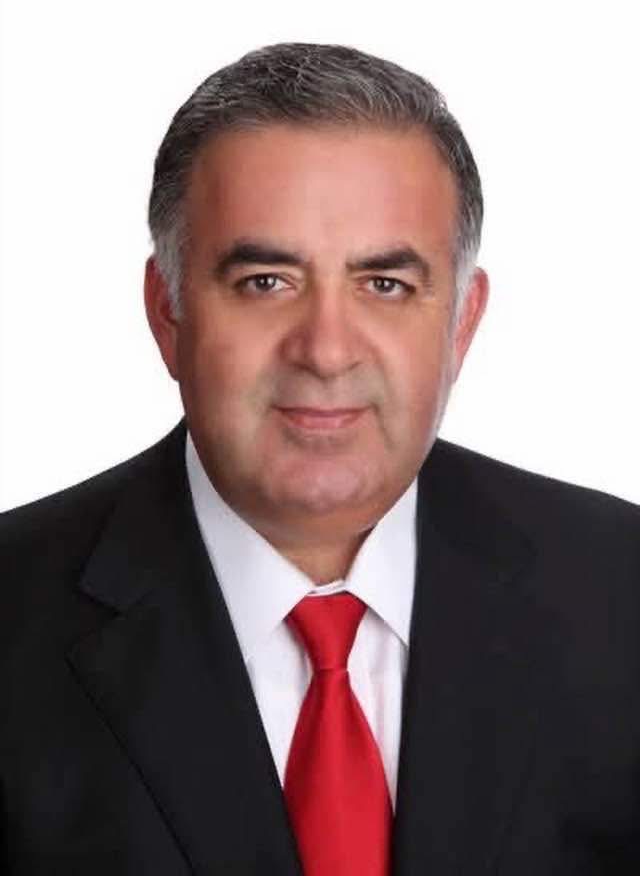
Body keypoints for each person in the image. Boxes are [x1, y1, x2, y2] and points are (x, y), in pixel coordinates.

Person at [1, 42, 638, 876]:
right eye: (267, 281)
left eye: (385, 285)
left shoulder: (621, 592)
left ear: (462, 323)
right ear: (168, 312)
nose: (327, 350)